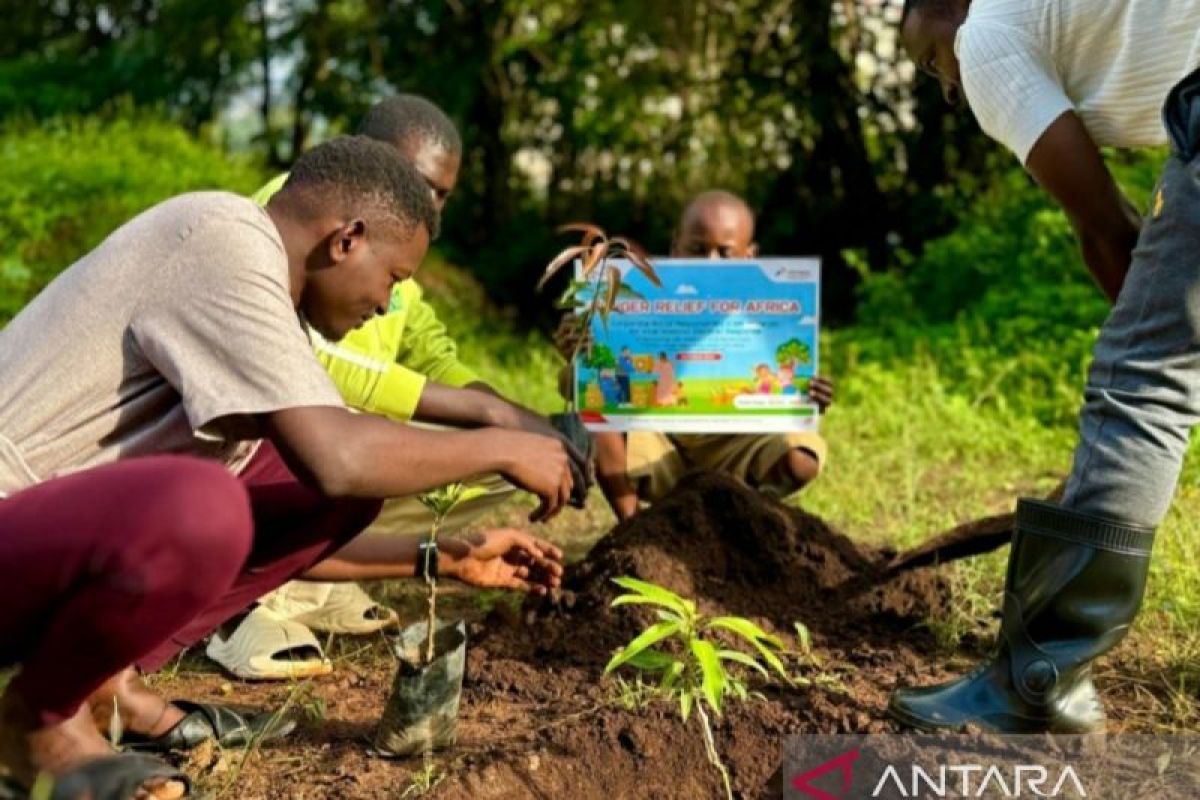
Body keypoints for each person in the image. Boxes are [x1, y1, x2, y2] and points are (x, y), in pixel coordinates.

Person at [0, 136, 575, 797]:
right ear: (347, 239)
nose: (387, 304)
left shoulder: (271, 305)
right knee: (214, 497)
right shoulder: (223, 241)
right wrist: (499, 440)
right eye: (394, 279)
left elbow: (275, 519)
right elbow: (337, 459)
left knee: (300, 486)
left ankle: (104, 684)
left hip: (45, 549)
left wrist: (440, 557)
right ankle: (36, 720)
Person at [889, 0, 1200, 733]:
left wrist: (1145, 369)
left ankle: (1039, 681)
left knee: (1142, 379)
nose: (949, 88)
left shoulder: (986, 36)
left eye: (931, 62)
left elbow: (1108, 229)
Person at [208, 95, 589, 681]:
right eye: (421, 187)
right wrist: (496, 422)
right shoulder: (283, 219)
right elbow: (315, 363)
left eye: (444, 196)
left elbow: (434, 355)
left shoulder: (393, 259)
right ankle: (239, 608)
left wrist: (518, 421)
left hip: (328, 446)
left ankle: (309, 581)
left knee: (486, 456)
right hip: (273, 439)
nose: (432, 210)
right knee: (371, 453)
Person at [557, 190, 835, 521]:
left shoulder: (772, 313)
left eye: (725, 253)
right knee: (597, 415)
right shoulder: (630, 301)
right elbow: (583, 389)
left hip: (735, 447)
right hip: (656, 448)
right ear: (675, 247)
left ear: (750, 256)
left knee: (801, 456)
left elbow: (785, 387)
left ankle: (745, 520)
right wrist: (580, 356)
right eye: (698, 249)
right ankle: (634, 529)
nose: (710, 262)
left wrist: (810, 395)